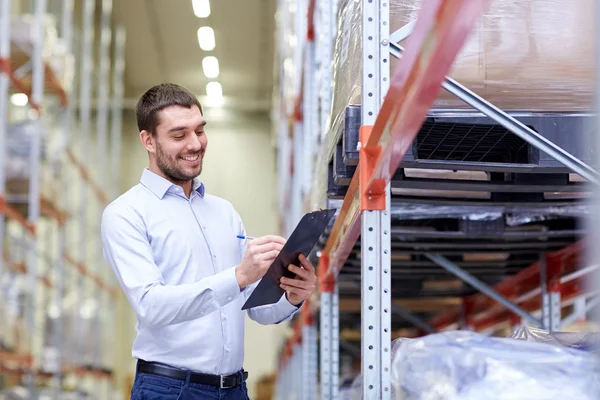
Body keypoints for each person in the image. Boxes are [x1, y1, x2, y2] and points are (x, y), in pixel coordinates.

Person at [100, 83, 317, 399]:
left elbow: (258, 310)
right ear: (148, 140)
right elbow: (151, 306)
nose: (195, 143)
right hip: (170, 390)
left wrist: (293, 296)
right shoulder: (126, 214)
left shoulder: (223, 212)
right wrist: (239, 276)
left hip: (234, 389)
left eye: (199, 131)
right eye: (179, 135)